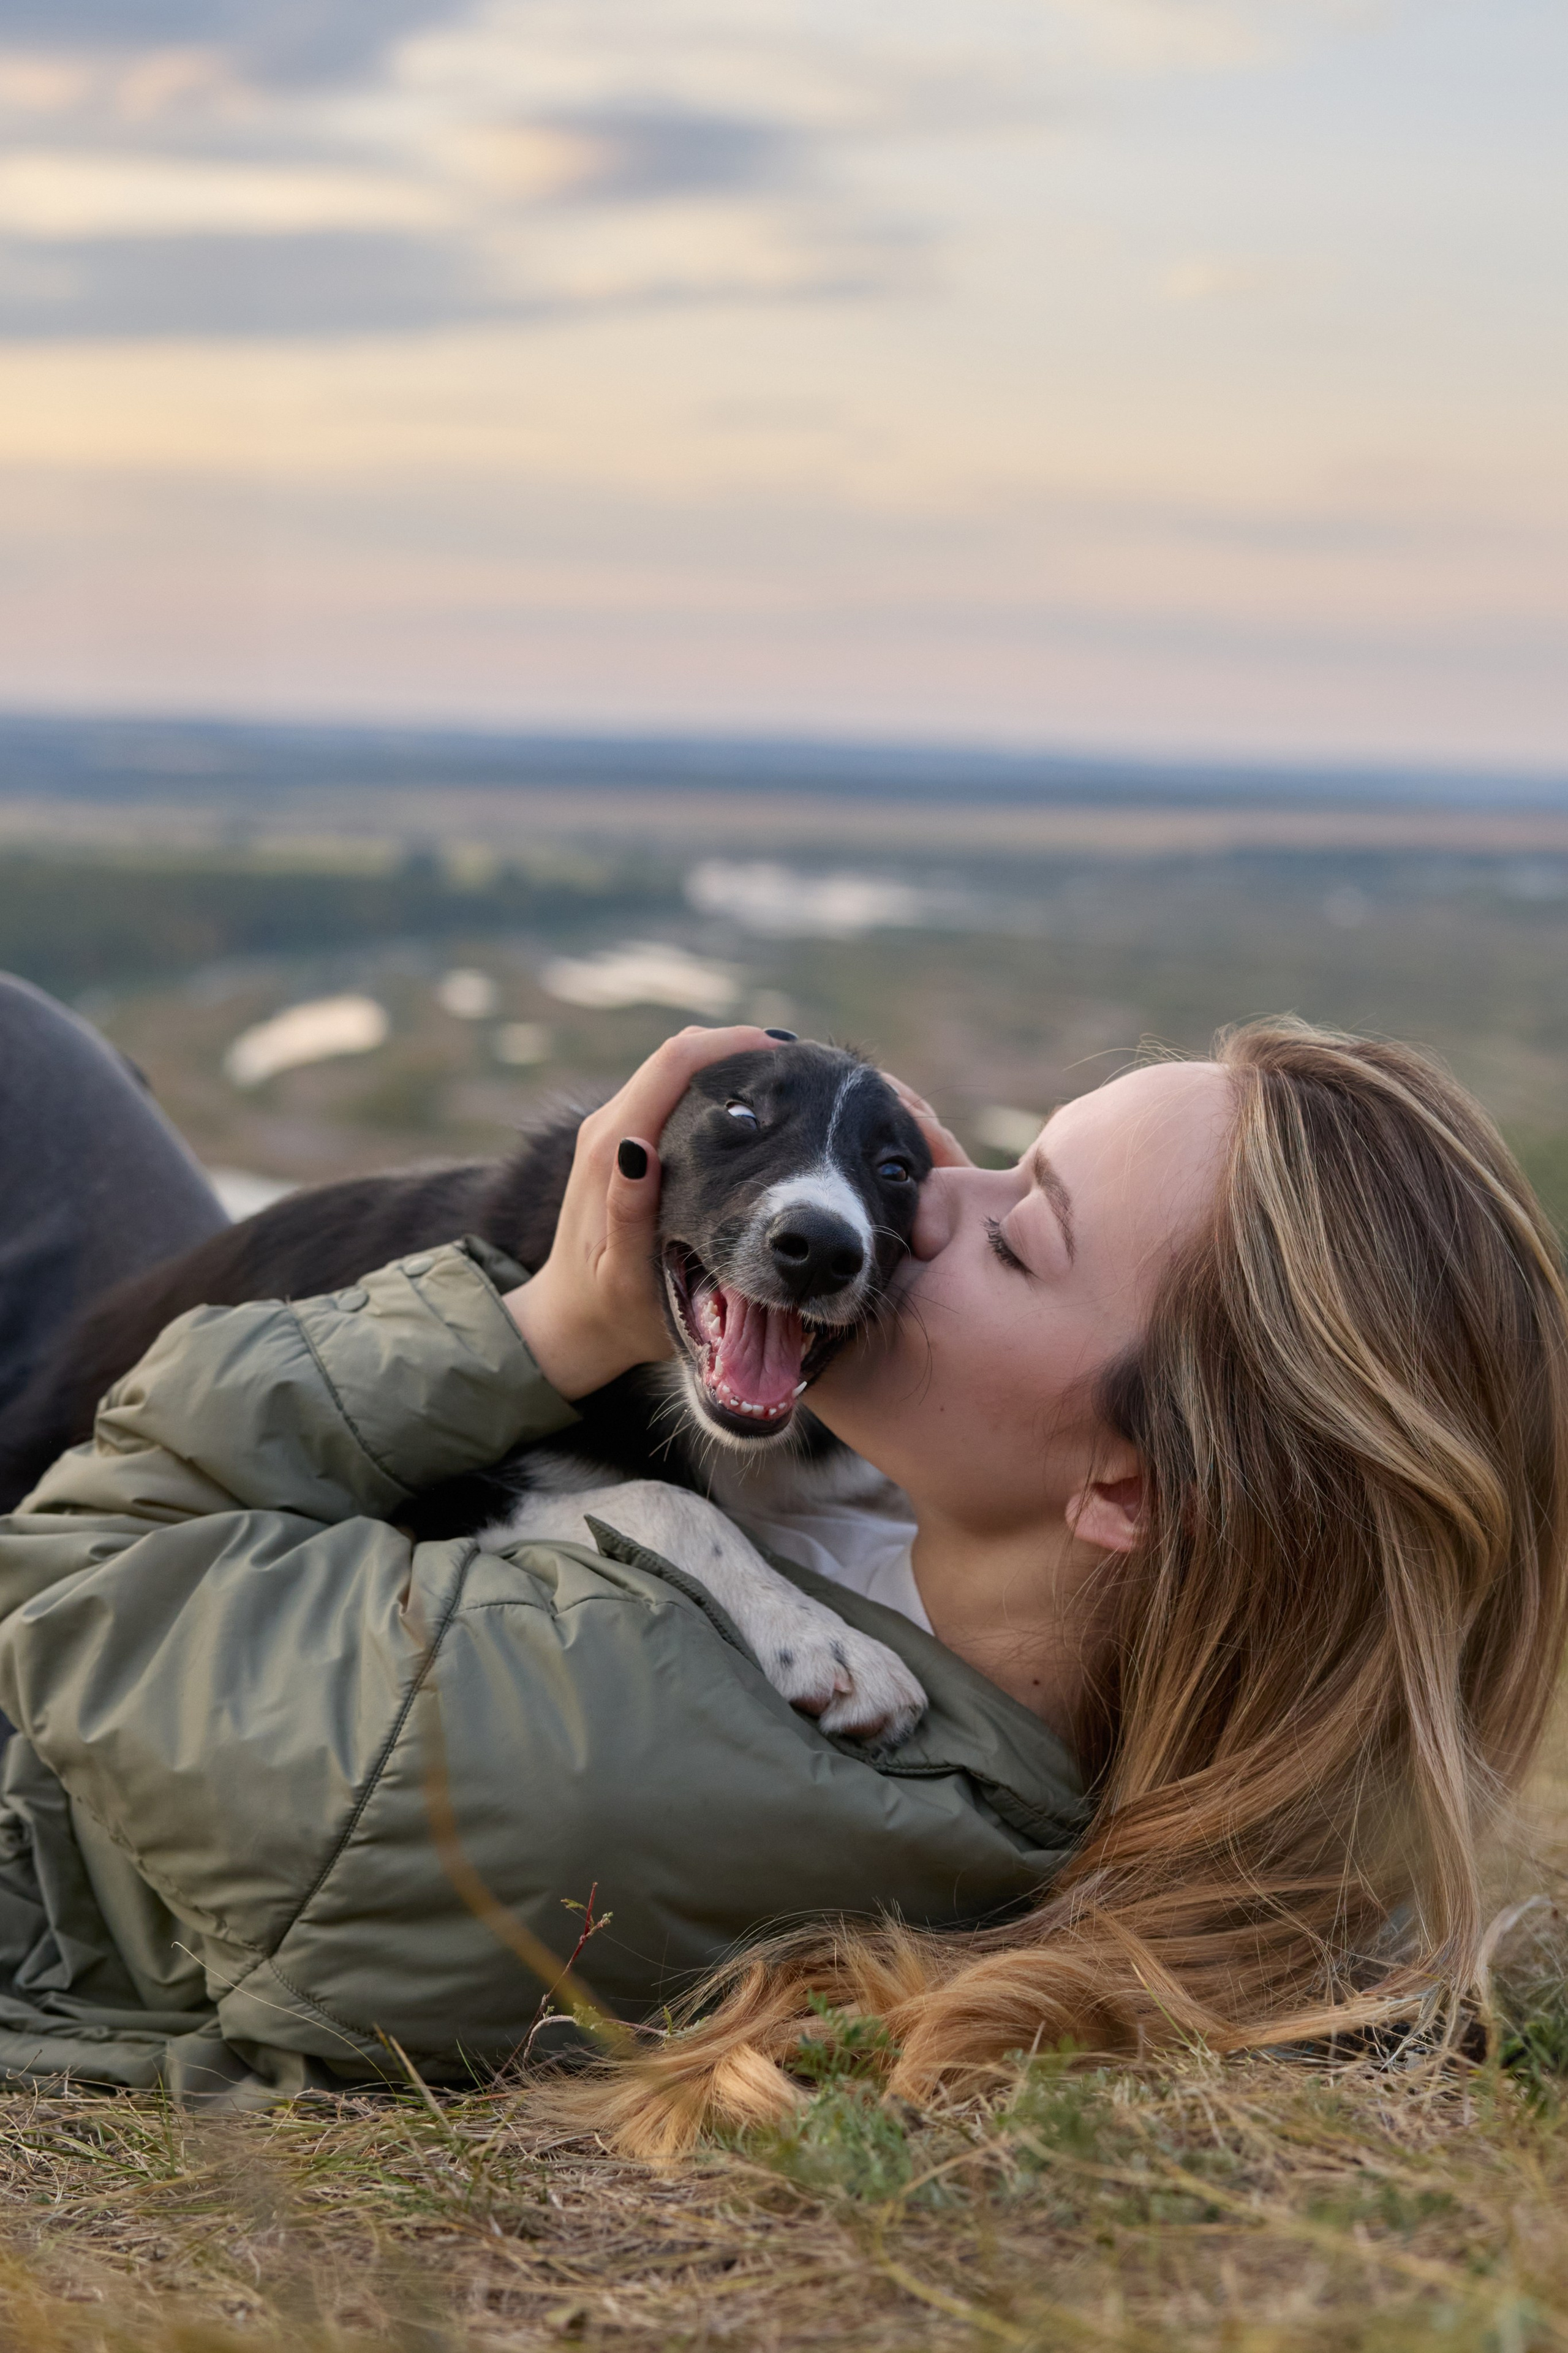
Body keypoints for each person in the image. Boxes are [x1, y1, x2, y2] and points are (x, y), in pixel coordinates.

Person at [0, 1004, 1561, 2145]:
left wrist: (534, 1330)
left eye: (1020, 1238)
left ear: (1129, 1488)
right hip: (202, 1419)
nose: (923, 1202)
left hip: (48, 1718)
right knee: (56, 1076)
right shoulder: (1018, 1604)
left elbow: (67, 1580)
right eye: (988, 1165)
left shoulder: (594, 1745)